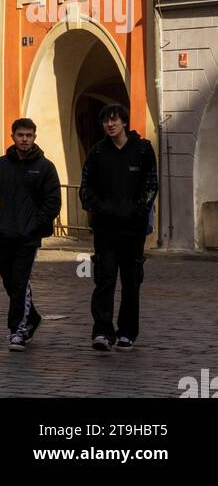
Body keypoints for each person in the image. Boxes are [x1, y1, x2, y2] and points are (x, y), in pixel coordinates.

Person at [79, 103, 158, 351]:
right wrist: (96, 207)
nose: (110, 125)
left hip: (132, 230)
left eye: (114, 120)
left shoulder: (143, 150)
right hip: (105, 229)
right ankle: (102, 332)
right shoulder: (98, 152)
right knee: (104, 280)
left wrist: (138, 211)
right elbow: (86, 185)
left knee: (131, 282)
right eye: (105, 121)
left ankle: (127, 332)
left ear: (124, 122)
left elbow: (151, 183)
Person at [0, 118, 61, 351]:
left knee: (20, 280)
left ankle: (18, 330)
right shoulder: (1, 165)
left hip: (28, 236)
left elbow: (53, 200)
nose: (24, 139)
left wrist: (36, 224)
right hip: (5, 233)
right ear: (13, 136)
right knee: (7, 277)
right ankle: (32, 317)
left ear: (35, 137)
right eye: (20, 135)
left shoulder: (44, 167)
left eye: (29, 135)